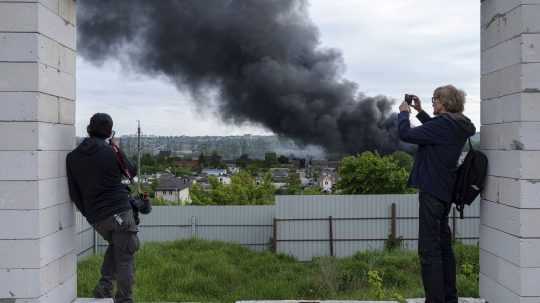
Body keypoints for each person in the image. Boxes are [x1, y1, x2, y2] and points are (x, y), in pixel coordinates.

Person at [398, 85, 476, 303]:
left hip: (432, 192)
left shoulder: (443, 125)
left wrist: (404, 113)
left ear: (445, 102)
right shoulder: (458, 124)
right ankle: (449, 297)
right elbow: (436, 129)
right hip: (445, 192)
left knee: (429, 250)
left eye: (435, 99)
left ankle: (435, 300)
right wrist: (421, 112)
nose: (432, 102)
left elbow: (406, 134)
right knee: (443, 246)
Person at [66, 113, 139, 303]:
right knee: (126, 256)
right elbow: (131, 172)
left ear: (89, 129)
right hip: (120, 213)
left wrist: (90, 216)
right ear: (109, 132)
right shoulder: (111, 151)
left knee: (117, 247)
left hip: (98, 219)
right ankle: (124, 300)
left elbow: (74, 193)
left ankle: (103, 288)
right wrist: (115, 147)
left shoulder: (72, 157)